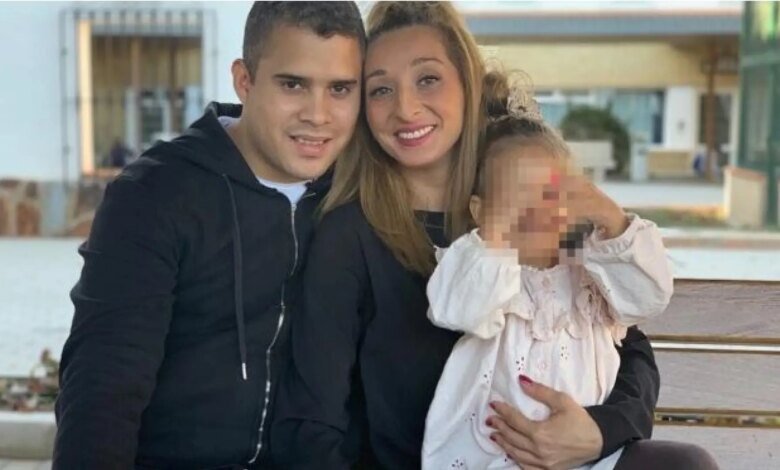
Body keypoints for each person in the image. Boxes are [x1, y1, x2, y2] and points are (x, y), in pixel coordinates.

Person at [272, 2, 718, 470]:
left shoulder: (531, 200)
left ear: (467, 83)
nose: (405, 108)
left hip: (577, 460)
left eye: (428, 78)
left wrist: (599, 431)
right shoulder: (351, 235)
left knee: (687, 465)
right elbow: (313, 421)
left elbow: (627, 341)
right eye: (381, 89)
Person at [53, 2, 364, 468]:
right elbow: (103, 387)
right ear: (244, 80)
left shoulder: (358, 194)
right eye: (293, 84)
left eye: (339, 88)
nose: (318, 115)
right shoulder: (154, 194)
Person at [421, 79, 674, 469]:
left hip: (591, 457)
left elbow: (649, 298)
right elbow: (456, 309)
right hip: (494, 455)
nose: (535, 209)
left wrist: (611, 218)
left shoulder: (593, 273)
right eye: (516, 196)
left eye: (550, 193)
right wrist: (496, 236)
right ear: (479, 211)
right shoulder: (486, 272)